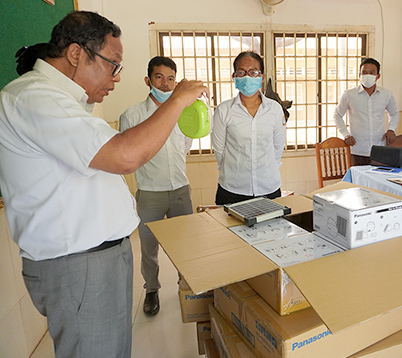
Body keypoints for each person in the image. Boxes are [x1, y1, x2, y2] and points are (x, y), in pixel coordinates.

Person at [0, 11, 207, 358]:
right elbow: (126, 155)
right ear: (77, 54)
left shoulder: (65, 103)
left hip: (97, 259)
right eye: (113, 64)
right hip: (78, 265)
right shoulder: (35, 97)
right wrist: (179, 99)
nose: (114, 79)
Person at [119, 56, 193, 316]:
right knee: (149, 247)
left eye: (171, 79)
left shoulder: (183, 112)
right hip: (150, 193)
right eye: (159, 77)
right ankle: (151, 290)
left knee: (187, 245)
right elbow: (130, 153)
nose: (165, 84)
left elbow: (184, 147)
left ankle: (187, 286)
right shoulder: (132, 115)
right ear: (148, 80)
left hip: (181, 190)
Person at [212, 51, 286, 205]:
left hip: (268, 188)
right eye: (241, 72)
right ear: (234, 76)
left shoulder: (275, 109)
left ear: (262, 76)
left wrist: (266, 168)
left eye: (253, 72)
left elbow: (278, 146)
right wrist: (234, 170)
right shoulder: (224, 110)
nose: (247, 77)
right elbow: (219, 150)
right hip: (232, 189)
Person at [333, 57, 400, 165]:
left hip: (379, 149)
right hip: (357, 149)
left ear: (378, 76)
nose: (367, 75)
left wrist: (391, 129)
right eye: (364, 72)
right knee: (357, 181)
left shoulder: (386, 94)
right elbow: (337, 115)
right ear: (359, 75)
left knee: (377, 179)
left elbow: (395, 113)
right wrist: (346, 134)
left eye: (372, 72)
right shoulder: (349, 94)